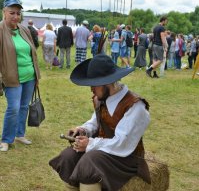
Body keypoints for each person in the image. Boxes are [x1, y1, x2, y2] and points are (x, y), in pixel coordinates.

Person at [49, 54, 151, 191]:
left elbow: (123, 143)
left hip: (125, 157)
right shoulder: (100, 98)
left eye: (94, 85)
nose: (91, 89)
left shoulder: (135, 106)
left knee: (89, 162)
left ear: (108, 82)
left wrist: (90, 143)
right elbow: (95, 122)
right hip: (101, 150)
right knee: (68, 157)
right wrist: (83, 130)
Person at [0, 0, 40, 152]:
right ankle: (5, 139)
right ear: (4, 12)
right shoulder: (1, 30)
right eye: (12, 13)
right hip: (11, 78)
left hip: (29, 76)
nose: (16, 16)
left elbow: (33, 53)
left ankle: (19, 134)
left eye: (18, 13)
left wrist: (36, 75)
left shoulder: (24, 29)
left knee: (24, 107)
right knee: (14, 108)